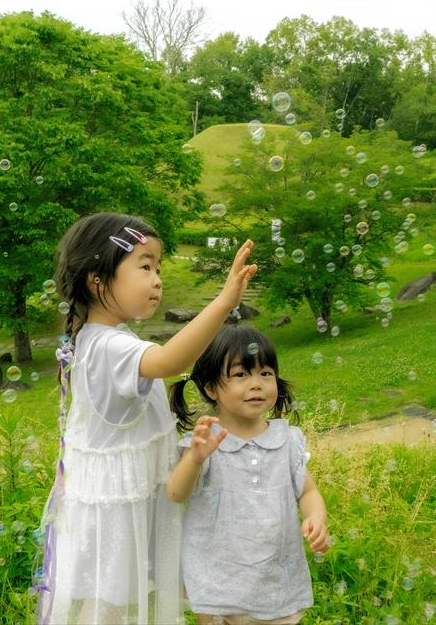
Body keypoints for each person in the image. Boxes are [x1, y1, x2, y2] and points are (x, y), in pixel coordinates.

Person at [34, 212, 257, 625]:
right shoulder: (109, 346)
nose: (157, 279)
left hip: (130, 494)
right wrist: (225, 302)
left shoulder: (105, 340)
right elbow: (173, 359)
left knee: (115, 603)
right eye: (144, 266)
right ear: (96, 280)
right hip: (118, 506)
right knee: (107, 606)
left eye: (158, 268)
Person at [167, 325, 329, 625]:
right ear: (211, 387)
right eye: (241, 375)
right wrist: (196, 459)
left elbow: (307, 492)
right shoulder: (204, 442)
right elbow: (176, 493)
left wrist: (316, 517)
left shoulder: (287, 440)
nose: (257, 384)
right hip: (217, 579)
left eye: (265, 373)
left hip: (275, 578)